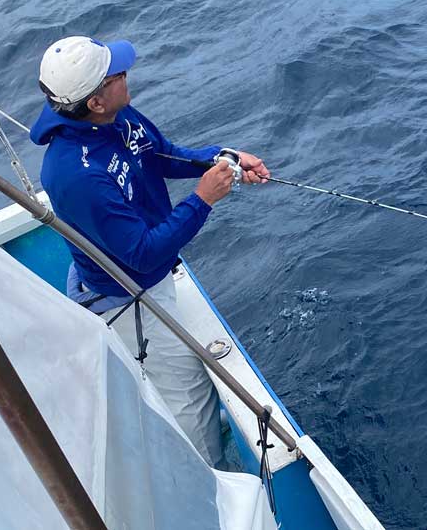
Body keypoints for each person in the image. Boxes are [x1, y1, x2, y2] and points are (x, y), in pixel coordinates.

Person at [29, 36, 270, 467]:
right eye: (117, 74)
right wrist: (203, 198)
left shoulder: (115, 117)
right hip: (128, 297)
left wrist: (225, 159)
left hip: (147, 274)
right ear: (96, 101)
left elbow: (160, 155)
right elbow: (142, 254)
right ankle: (207, 486)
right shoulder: (74, 176)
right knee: (191, 397)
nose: (127, 73)